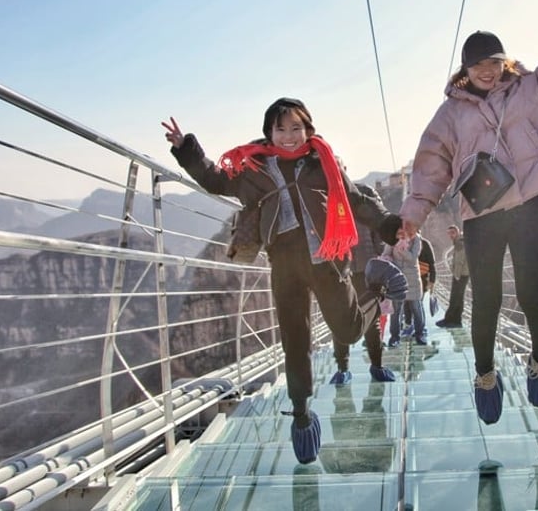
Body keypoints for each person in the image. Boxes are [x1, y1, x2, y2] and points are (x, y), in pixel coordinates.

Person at [399, 4, 538, 424]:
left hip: (529, 207)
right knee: (487, 299)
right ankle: (485, 376)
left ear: (505, 62)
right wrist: (413, 214)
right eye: (478, 64)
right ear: (465, 70)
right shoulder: (451, 114)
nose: (487, 70)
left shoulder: (533, 89)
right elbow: (432, 163)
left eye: (494, 62)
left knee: (532, 292)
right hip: (481, 214)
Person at [161, 97, 403, 464]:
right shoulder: (255, 168)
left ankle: (376, 289)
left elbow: (355, 200)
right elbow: (215, 180)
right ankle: (302, 413)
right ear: (269, 132)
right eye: (281, 128)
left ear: (308, 130)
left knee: (349, 330)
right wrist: (185, 148)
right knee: (295, 339)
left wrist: (388, 224)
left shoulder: (323, 163)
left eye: (296, 128)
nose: (289, 136)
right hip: (284, 263)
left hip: (327, 259)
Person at [329, 181, 399, 385]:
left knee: (371, 316)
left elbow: (380, 224)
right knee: (338, 319)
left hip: (366, 265)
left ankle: (376, 365)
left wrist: (381, 257)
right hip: (337, 267)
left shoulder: (363, 192)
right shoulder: (324, 192)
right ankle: (343, 368)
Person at [383, 229, 427, 346]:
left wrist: (402, 250)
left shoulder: (416, 238)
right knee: (396, 310)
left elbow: (413, 258)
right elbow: (386, 253)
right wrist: (386, 257)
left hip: (412, 279)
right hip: (396, 277)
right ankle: (394, 337)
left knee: (416, 307)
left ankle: (420, 334)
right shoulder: (392, 238)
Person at [436, 224, 469, 328]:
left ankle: (449, 320)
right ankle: (457, 321)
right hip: (464, 273)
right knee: (459, 297)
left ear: (457, 232)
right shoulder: (461, 241)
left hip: (460, 274)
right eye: (449, 233)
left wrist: (456, 275)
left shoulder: (460, 242)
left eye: (452, 233)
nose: (450, 235)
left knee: (455, 297)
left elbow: (459, 260)